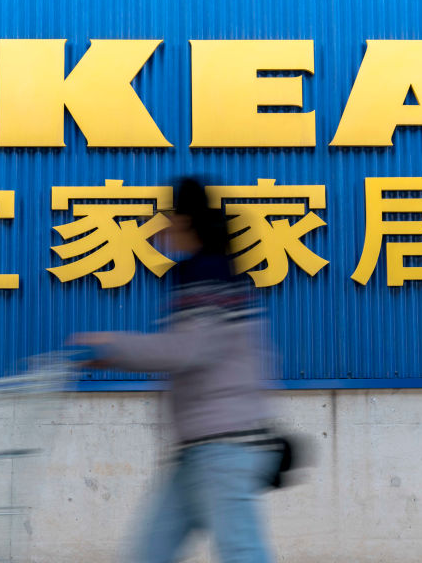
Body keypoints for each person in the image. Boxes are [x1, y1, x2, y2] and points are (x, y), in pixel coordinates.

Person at [70, 177, 280, 563]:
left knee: (241, 552)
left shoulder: (209, 273)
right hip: (201, 447)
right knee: (151, 553)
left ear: (184, 220)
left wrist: (113, 346)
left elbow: (187, 349)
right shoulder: (217, 271)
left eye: (166, 216)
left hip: (225, 444)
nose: (160, 226)